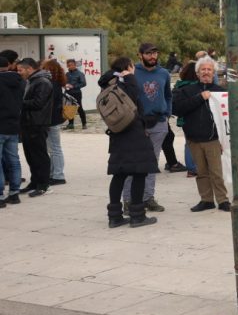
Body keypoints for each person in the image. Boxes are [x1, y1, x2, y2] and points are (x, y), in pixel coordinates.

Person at [98, 58, 159, 228]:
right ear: (129, 67)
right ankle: (137, 216)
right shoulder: (126, 81)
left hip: (117, 134)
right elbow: (132, 100)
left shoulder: (108, 82)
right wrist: (131, 78)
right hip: (134, 134)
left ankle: (114, 217)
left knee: (119, 175)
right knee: (139, 173)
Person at [120, 43, 172, 213]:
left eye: (155, 53)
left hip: (159, 122)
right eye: (148, 53)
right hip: (136, 124)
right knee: (133, 162)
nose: (152, 56)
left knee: (152, 163)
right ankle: (128, 200)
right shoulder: (132, 72)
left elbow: (168, 95)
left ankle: (148, 197)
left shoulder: (164, 73)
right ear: (140, 55)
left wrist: (167, 113)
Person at [172, 58, 229, 212]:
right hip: (194, 139)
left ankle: (223, 200)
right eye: (203, 69)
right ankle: (206, 200)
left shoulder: (221, 92)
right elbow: (177, 109)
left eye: (209, 69)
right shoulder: (186, 91)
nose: (206, 72)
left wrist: (224, 139)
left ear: (214, 73)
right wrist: (200, 98)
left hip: (213, 139)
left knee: (216, 172)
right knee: (201, 172)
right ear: (197, 73)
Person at [17, 58, 53, 197]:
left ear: (29, 69)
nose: (19, 73)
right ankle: (35, 182)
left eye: (20, 70)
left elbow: (38, 103)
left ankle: (44, 185)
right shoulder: (32, 81)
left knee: (39, 155)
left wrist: (18, 102)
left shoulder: (42, 82)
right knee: (31, 156)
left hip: (37, 123)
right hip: (28, 123)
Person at [41, 59, 68, 186]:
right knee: (53, 148)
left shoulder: (51, 84)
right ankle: (54, 174)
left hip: (51, 120)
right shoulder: (57, 83)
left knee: (54, 148)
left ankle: (58, 175)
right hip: (54, 119)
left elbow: (49, 104)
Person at [0, 51, 22, 206]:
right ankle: (14, 193)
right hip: (13, 125)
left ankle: (0, 196)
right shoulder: (19, 80)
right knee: (14, 160)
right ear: (8, 65)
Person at [65, 58, 87, 130]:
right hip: (68, 93)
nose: (69, 66)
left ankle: (84, 123)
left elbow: (83, 83)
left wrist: (73, 86)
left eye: (71, 65)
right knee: (69, 108)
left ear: (75, 65)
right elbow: (64, 82)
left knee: (79, 108)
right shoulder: (67, 74)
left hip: (76, 93)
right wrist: (65, 85)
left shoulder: (80, 74)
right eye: (68, 65)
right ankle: (71, 124)